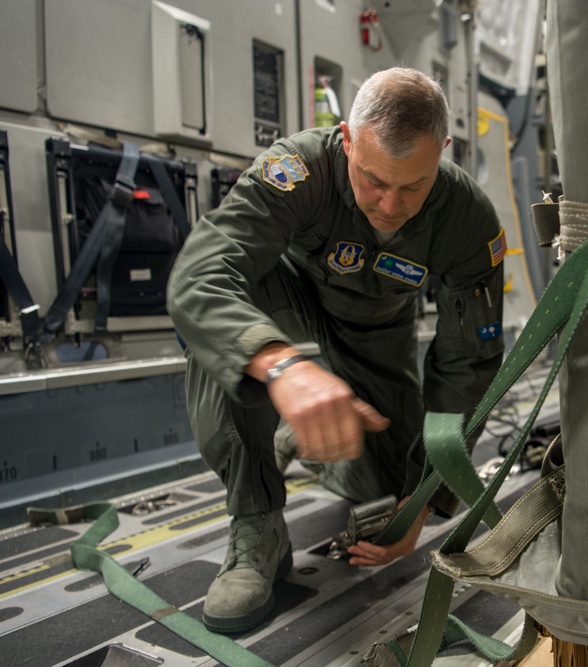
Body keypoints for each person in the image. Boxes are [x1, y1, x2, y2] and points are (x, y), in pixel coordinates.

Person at [166, 67, 506, 634]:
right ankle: (257, 530)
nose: (391, 205)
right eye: (373, 180)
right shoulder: (299, 168)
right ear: (346, 138)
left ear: (443, 153)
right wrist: (283, 367)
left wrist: (425, 497)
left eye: (412, 186)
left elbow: (466, 362)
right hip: (289, 295)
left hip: (378, 328)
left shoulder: (467, 218)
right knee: (219, 327)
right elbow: (200, 275)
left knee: (383, 495)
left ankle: (305, 430)